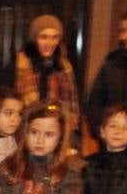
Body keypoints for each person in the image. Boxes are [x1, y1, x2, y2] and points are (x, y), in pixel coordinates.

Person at [85, 5, 127, 157]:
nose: (123, 37)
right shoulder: (113, 61)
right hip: (111, 148)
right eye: (122, 31)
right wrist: (101, 133)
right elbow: (95, 101)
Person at [7, 15, 81, 148]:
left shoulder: (65, 67)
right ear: (34, 38)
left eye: (55, 37)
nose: (50, 43)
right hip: (24, 132)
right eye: (44, 37)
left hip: (55, 134)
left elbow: (71, 106)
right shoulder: (17, 65)